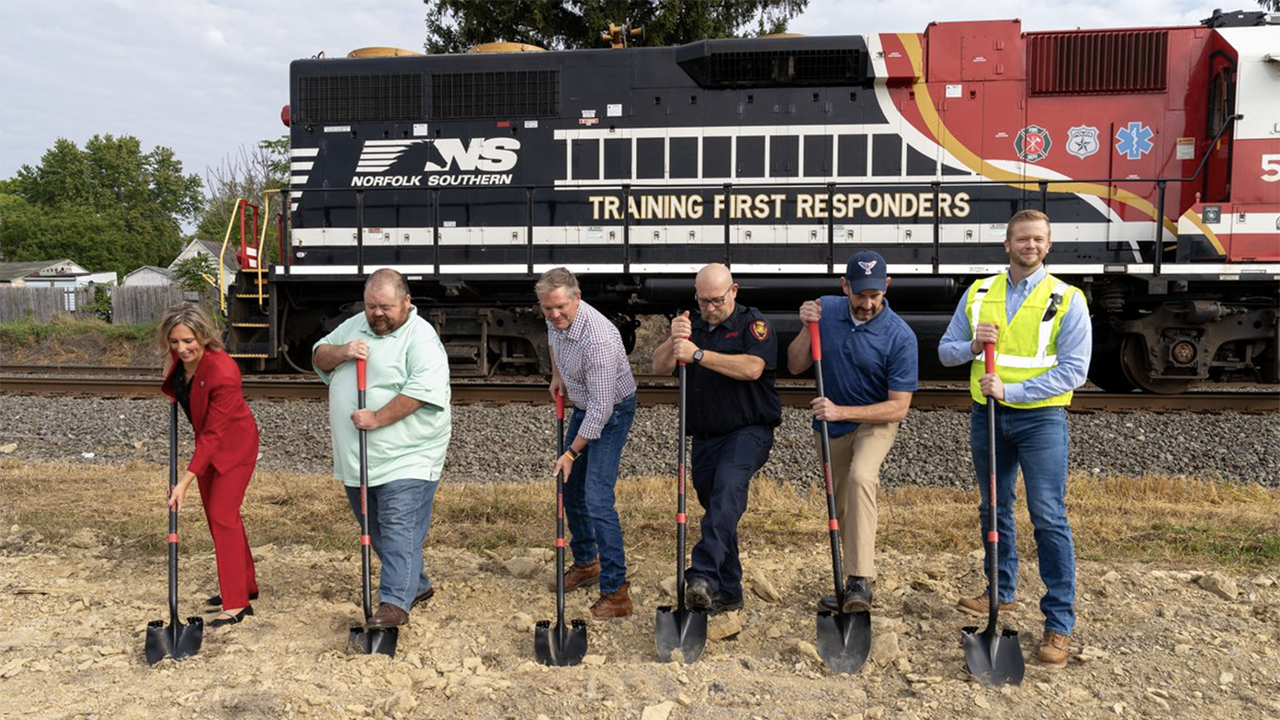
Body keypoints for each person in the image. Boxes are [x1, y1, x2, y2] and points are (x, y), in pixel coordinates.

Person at [937, 209, 1091, 667]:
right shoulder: (980, 292)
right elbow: (946, 352)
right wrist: (970, 345)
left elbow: (1075, 370)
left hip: (1041, 419)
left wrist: (1014, 390)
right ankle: (1000, 592)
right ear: (1007, 244)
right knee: (993, 506)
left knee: (1047, 515)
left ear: (1049, 245)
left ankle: (1058, 623)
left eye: (1038, 239)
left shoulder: (1066, 298)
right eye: (1022, 238)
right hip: (987, 417)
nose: (1030, 245)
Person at [312, 268, 452, 630]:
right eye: (371, 305)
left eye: (386, 307)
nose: (377, 314)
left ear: (407, 302)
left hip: (409, 454)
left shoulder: (421, 338)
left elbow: (423, 392)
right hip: (358, 458)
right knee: (374, 530)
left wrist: (376, 418)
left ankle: (393, 604)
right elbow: (319, 355)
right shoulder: (356, 324)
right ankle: (415, 585)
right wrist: (342, 351)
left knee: (397, 527)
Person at [785, 250, 918, 613]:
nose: (868, 303)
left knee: (861, 477)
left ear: (886, 287)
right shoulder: (825, 309)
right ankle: (849, 580)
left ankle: (860, 581)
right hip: (832, 424)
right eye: (860, 295)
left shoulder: (900, 336)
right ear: (845, 286)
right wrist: (805, 326)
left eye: (875, 295)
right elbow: (796, 366)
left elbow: (899, 407)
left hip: (875, 421)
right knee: (843, 504)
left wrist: (841, 410)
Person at [651, 263, 780, 615]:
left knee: (726, 494)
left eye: (716, 300)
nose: (709, 307)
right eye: (703, 300)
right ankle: (729, 591)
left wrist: (697, 354)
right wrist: (673, 340)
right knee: (720, 512)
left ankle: (702, 575)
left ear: (734, 291)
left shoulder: (752, 325)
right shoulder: (691, 323)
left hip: (748, 431)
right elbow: (658, 367)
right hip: (705, 436)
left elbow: (753, 367)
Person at [538, 267, 638, 618]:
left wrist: (569, 453)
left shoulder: (598, 339)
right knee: (570, 488)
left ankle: (617, 591)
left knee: (597, 498)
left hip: (611, 411)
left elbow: (601, 411)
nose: (554, 315)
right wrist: (557, 374)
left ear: (577, 298)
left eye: (561, 307)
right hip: (584, 403)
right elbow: (552, 337)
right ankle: (587, 562)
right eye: (548, 308)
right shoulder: (557, 318)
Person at [159, 303, 260, 628]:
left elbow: (215, 435)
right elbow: (178, 376)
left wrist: (184, 482)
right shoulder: (180, 359)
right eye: (174, 342)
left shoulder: (224, 371)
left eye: (188, 341)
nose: (181, 348)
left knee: (222, 516)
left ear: (203, 336)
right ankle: (246, 584)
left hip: (234, 447)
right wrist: (173, 383)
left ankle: (237, 603)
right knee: (221, 517)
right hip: (209, 447)